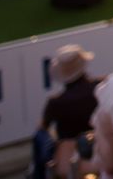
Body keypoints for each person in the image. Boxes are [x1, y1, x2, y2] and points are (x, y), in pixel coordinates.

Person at [31, 44, 100, 178]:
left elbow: (42, 127)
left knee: (39, 135)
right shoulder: (101, 88)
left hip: (66, 162)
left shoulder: (55, 103)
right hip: (102, 150)